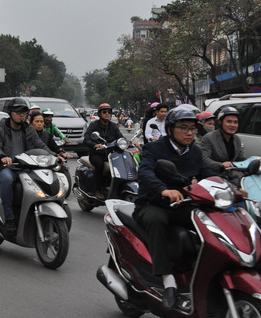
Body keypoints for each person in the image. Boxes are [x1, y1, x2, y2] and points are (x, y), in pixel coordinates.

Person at [132, 107, 214, 310]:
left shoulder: (195, 151)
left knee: (211, 220)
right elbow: (145, 172)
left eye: (193, 129)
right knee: (156, 220)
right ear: (170, 130)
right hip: (153, 203)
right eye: (184, 128)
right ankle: (168, 280)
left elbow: (207, 173)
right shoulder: (154, 149)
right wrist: (163, 190)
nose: (189, 133)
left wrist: (231, 185)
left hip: (183, 204)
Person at [0, 98, 62, 236]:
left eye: (24, 112)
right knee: (7, 180)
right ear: (10, 112)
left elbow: (40, 145)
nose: (21, 114)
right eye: (17, 111)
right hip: (5, 168)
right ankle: (9, 218)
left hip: (26, 167)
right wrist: (2, 156)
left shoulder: (29, 130)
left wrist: (55, 156)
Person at [83, 103, 124, 200]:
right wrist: (95, 145)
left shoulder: (113, 126)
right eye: (104, 112)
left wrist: (128, 142)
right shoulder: (94, 125)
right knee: (100, 164)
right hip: (97, 154)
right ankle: (98, 189)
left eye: (109, 112)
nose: (107, 114)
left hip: (111, 154)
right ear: (100, 114)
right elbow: (86, 139)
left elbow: (120, 137)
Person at [200, 107, 246, 178]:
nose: (233, 125)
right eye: (229, 122)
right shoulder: (208, 138)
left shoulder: (237, 139)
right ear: (220, 122)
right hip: (214, 176)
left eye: (235, 122)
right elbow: (204, 159)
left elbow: (241, 159)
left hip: (233, 175)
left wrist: (253, 162)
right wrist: (220, 165)